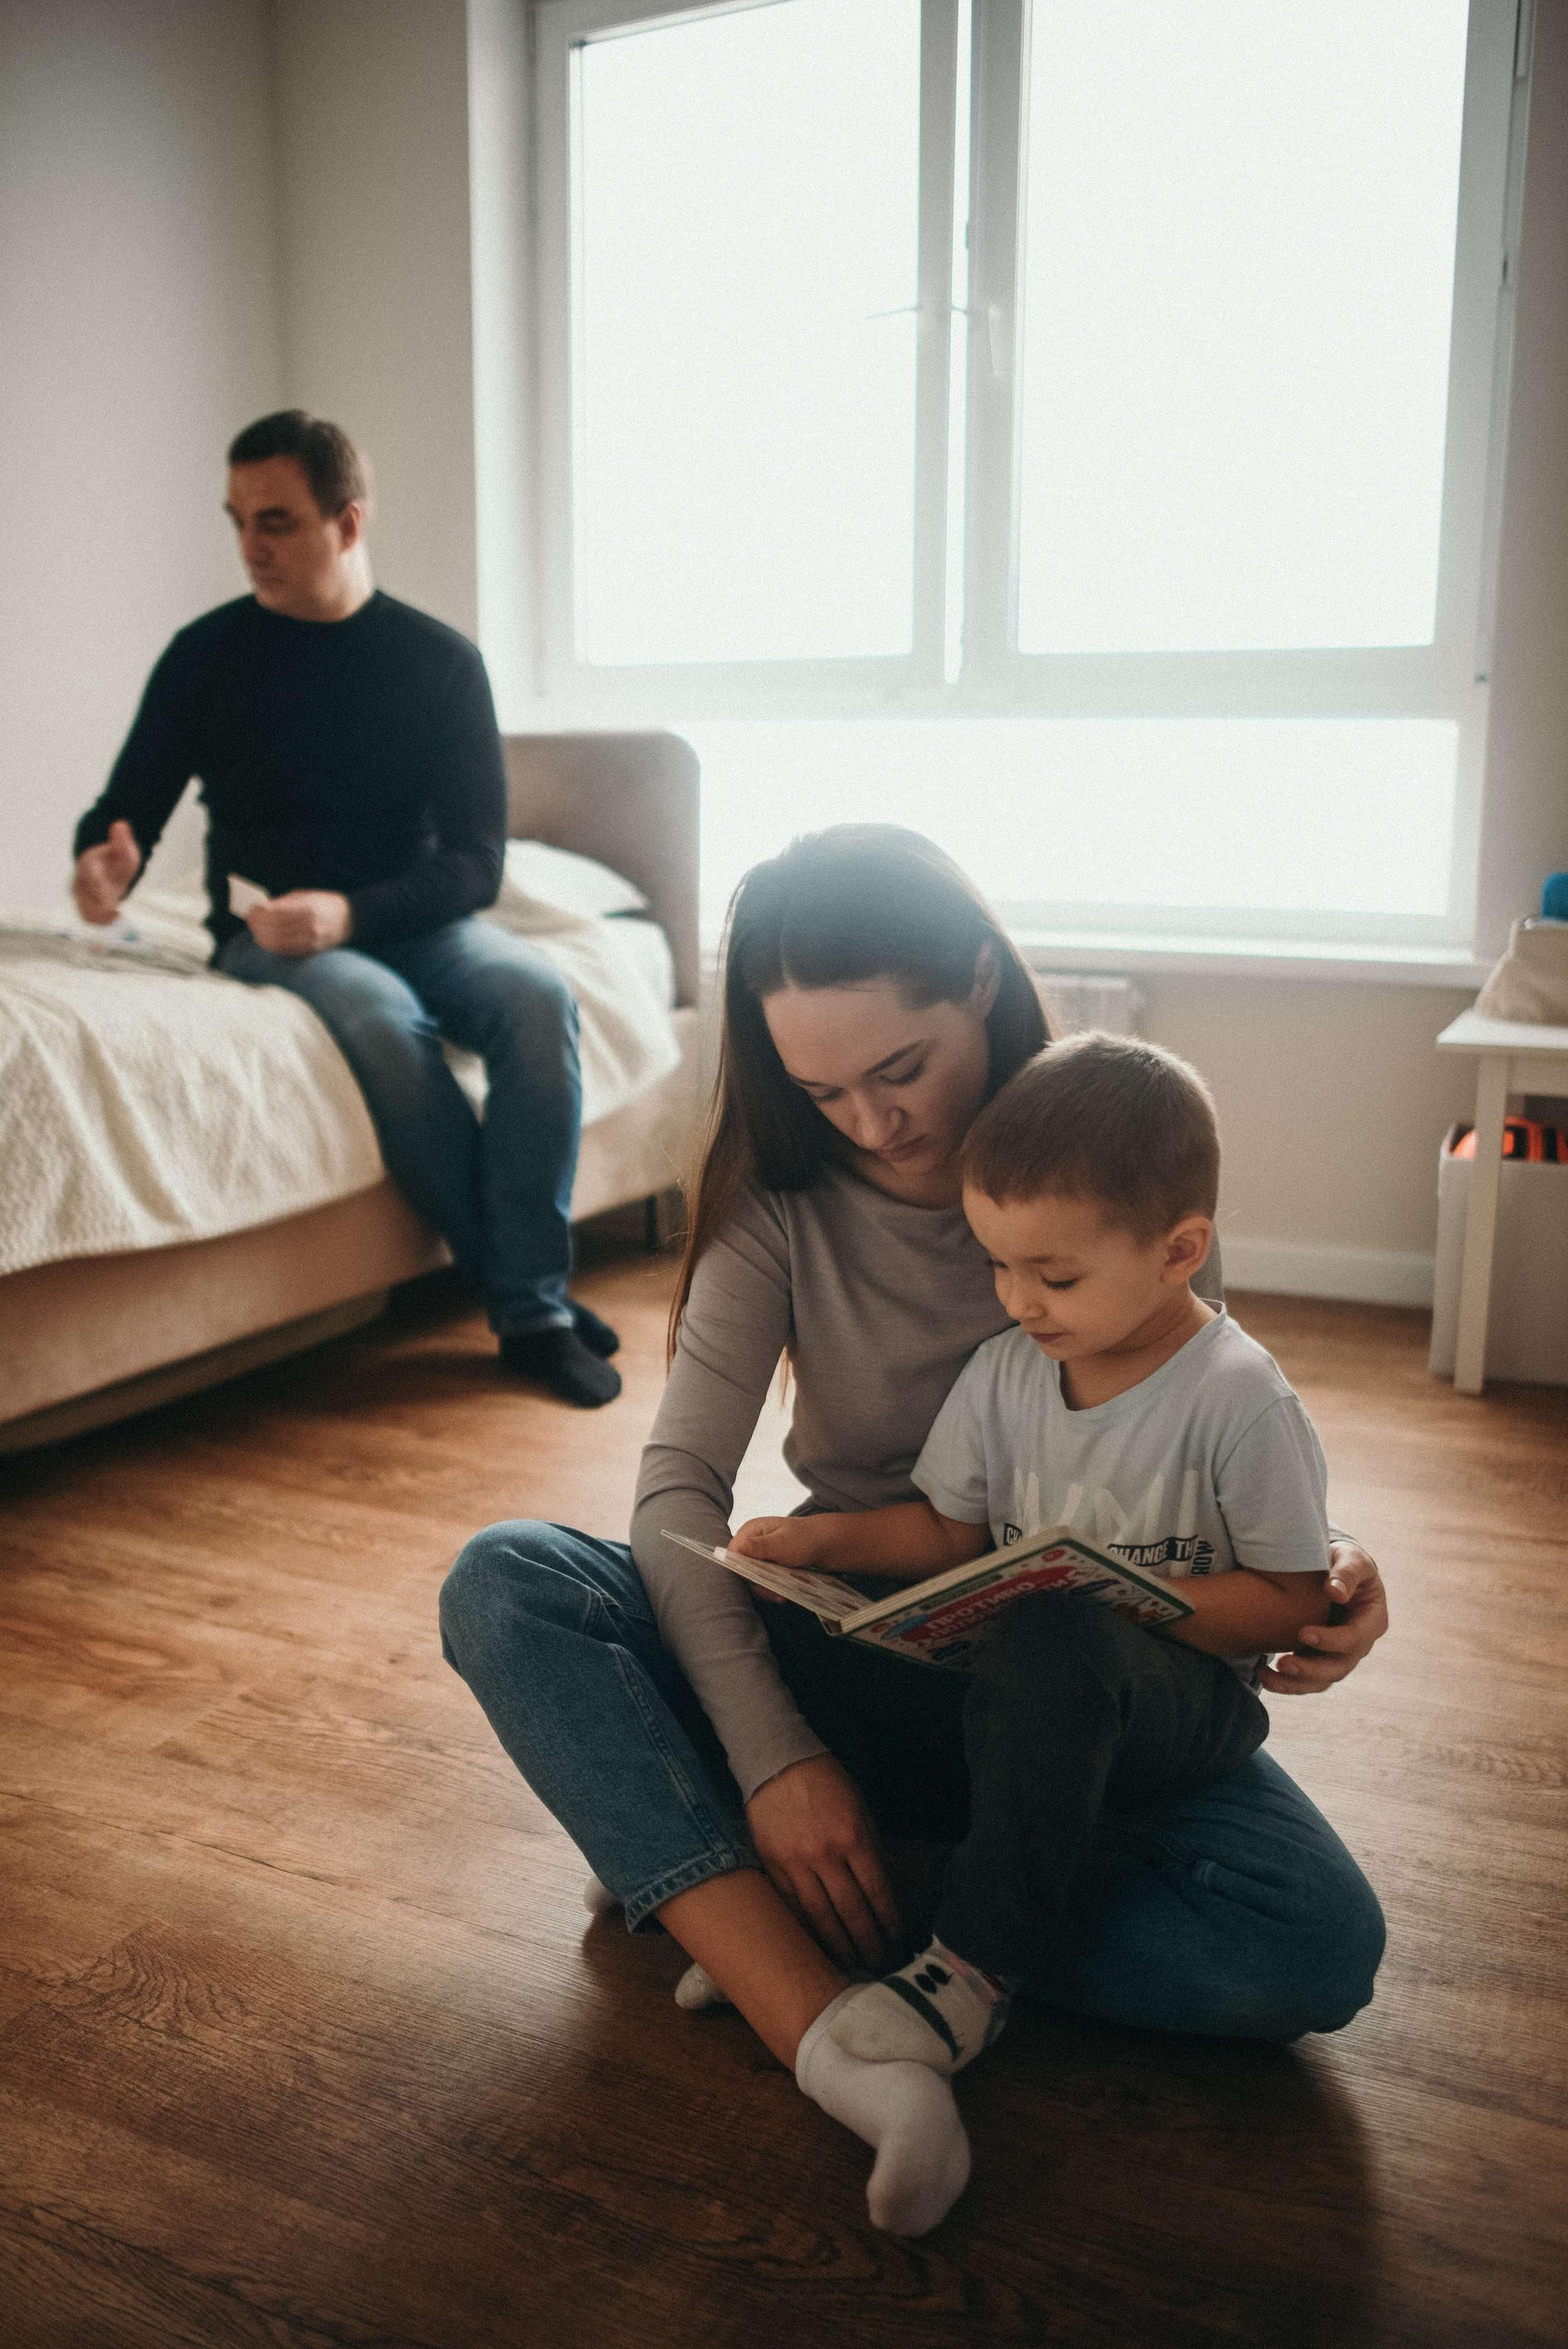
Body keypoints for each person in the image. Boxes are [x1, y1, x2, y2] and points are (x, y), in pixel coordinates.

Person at [439, 826, 1389, 2236]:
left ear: (986, 990)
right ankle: (815, 2004)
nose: (876, 1124)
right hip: (865, 1651)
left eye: (903, 1070)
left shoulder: (1120, 1159)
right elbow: (675, 1495)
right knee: (511, 1580)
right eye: (825, 1091)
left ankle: (770, 1896)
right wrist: (774, 1759)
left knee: (1308, 1944)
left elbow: (1209, 1436)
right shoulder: (779, 1208)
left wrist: (1334, 1577)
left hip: (1083, 1687)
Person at [727, 1029, 1341, 2112]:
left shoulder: (1239, 1400)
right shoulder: (1010, 1370)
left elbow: (1290, 1601)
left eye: (1054, 1275)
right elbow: (948, 1534)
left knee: (1056, 1631)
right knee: (785, 1621)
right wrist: (813, 1546)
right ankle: (820, 1905)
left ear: (1179, 1249)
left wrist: (1110, 1597)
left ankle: (970, 1969)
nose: (1019, 1300)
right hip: (1018, 1696)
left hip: (1177, 1709)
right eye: (998, 1266)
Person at [71, 409, 619, 1407]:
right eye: (237, 519)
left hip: (418, 919)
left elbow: (476, 864)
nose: (249, 546)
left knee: (539, 997)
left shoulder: (438, 663)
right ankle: (531, 1305)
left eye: (275, 520)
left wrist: (349, 913)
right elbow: (125, 811)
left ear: (348, 522)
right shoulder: (205, 654)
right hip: (265, 934)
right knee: (376, 1015)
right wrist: (101, 862)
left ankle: (522, 1291)